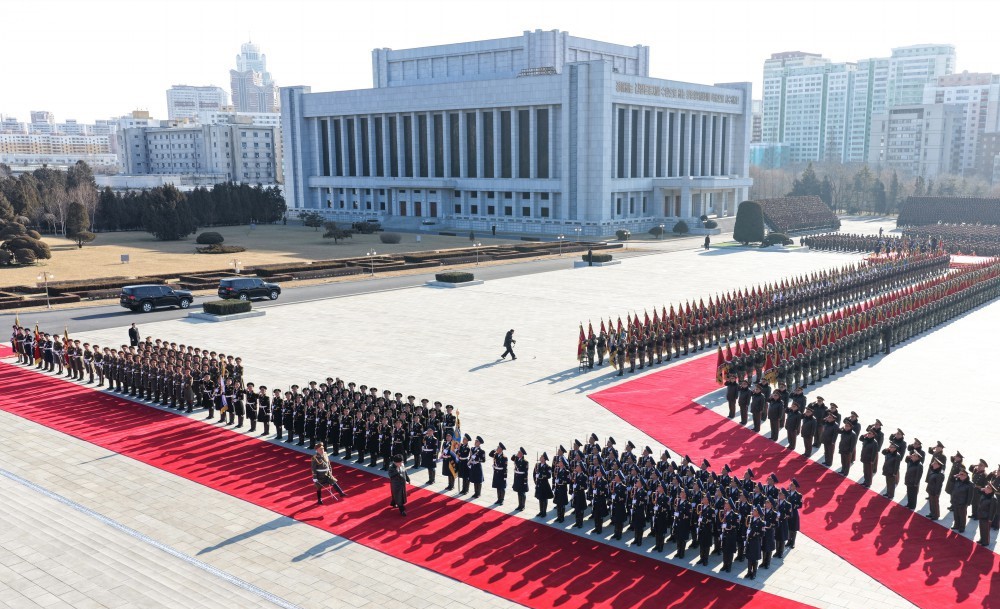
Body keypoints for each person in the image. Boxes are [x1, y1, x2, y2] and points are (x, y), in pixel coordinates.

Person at [950, 468, 974, 533]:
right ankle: (956, 525)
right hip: (955, 501)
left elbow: (970, 495)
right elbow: (951, 480)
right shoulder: (957, 480)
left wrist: (967, 503)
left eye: (962, 474)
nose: (961, 475)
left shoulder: (969, 484)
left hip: (963, 503)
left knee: (962, 516)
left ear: (966, 476)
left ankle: (962, 527)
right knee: (956, 514)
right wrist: (955, 476)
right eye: (960, 474)